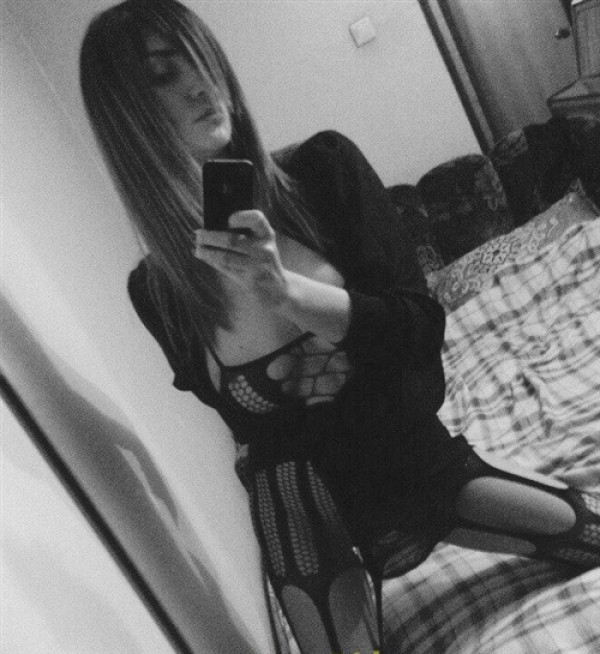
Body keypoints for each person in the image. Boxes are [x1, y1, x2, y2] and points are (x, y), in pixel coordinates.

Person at [80, 1, 600, 652]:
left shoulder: (323, 171)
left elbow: (420, 329)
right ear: (125, 116)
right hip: (306, 509)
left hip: (416, 461)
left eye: (200, 57)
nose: (199, 83)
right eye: (162, 73)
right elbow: (254, 431)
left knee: (590, 533)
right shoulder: (158, 293)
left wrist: (284, 291)